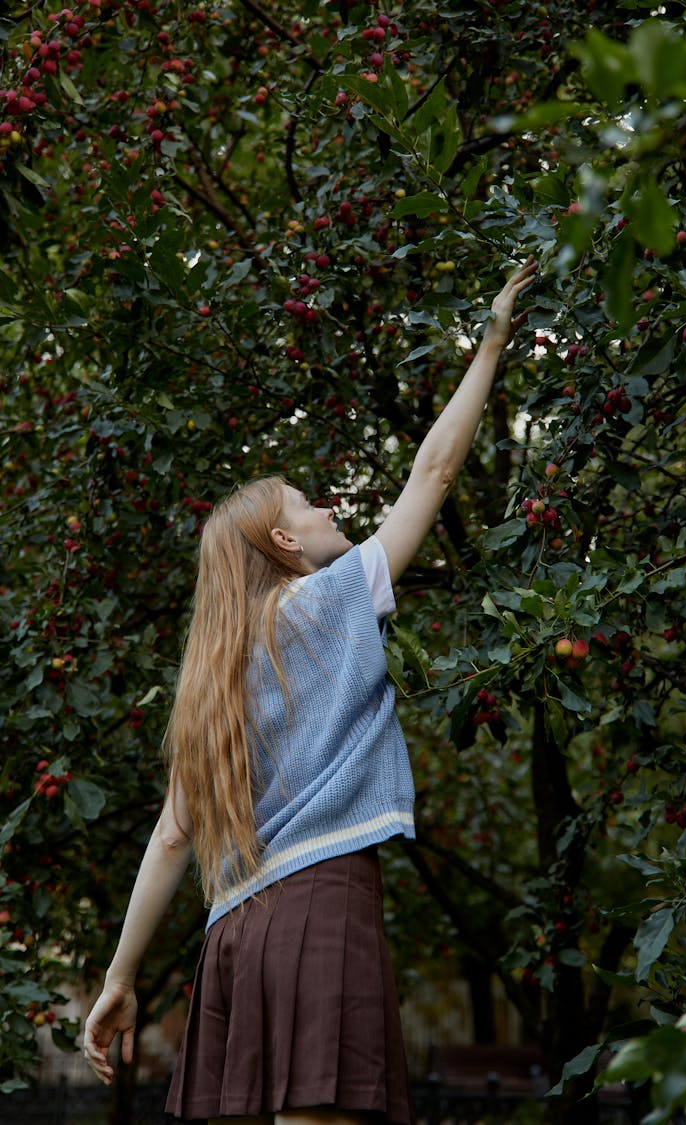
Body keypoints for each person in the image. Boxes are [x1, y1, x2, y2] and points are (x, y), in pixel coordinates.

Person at [82, 255, 538, 1125]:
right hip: (321, 907)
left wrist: (120, 975)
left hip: (233, 937)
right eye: (307, 503)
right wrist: (490, 343)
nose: (329, 507)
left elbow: (174, 832)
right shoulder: (328, 602)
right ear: (284, 546)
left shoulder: (208, 680)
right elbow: (433, 477)